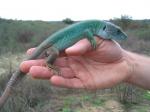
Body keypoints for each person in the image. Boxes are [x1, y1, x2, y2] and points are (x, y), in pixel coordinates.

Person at [20, 37, 150, 90]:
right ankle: (49, 64)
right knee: (52, 54)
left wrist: (127, 64)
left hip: (52, 49)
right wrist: (128, 64)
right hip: (50, 48)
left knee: (51, 55)